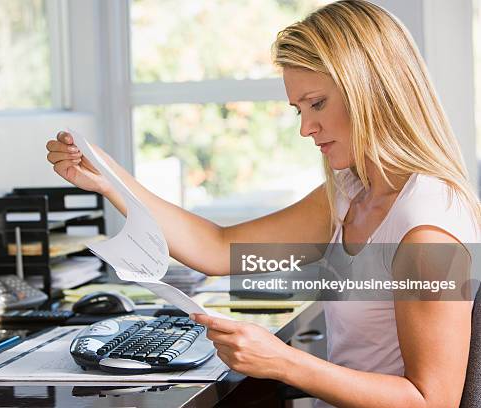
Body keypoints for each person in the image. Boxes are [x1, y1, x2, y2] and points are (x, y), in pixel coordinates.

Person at [46, 1, 480, 406]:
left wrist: (284, 362)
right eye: (298, 110)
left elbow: (432, 399)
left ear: (373, 91)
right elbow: (217, 248)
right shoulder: (352, 195)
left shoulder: (426, 229)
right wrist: (110, 179)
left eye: (318, 103)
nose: (306, 128)